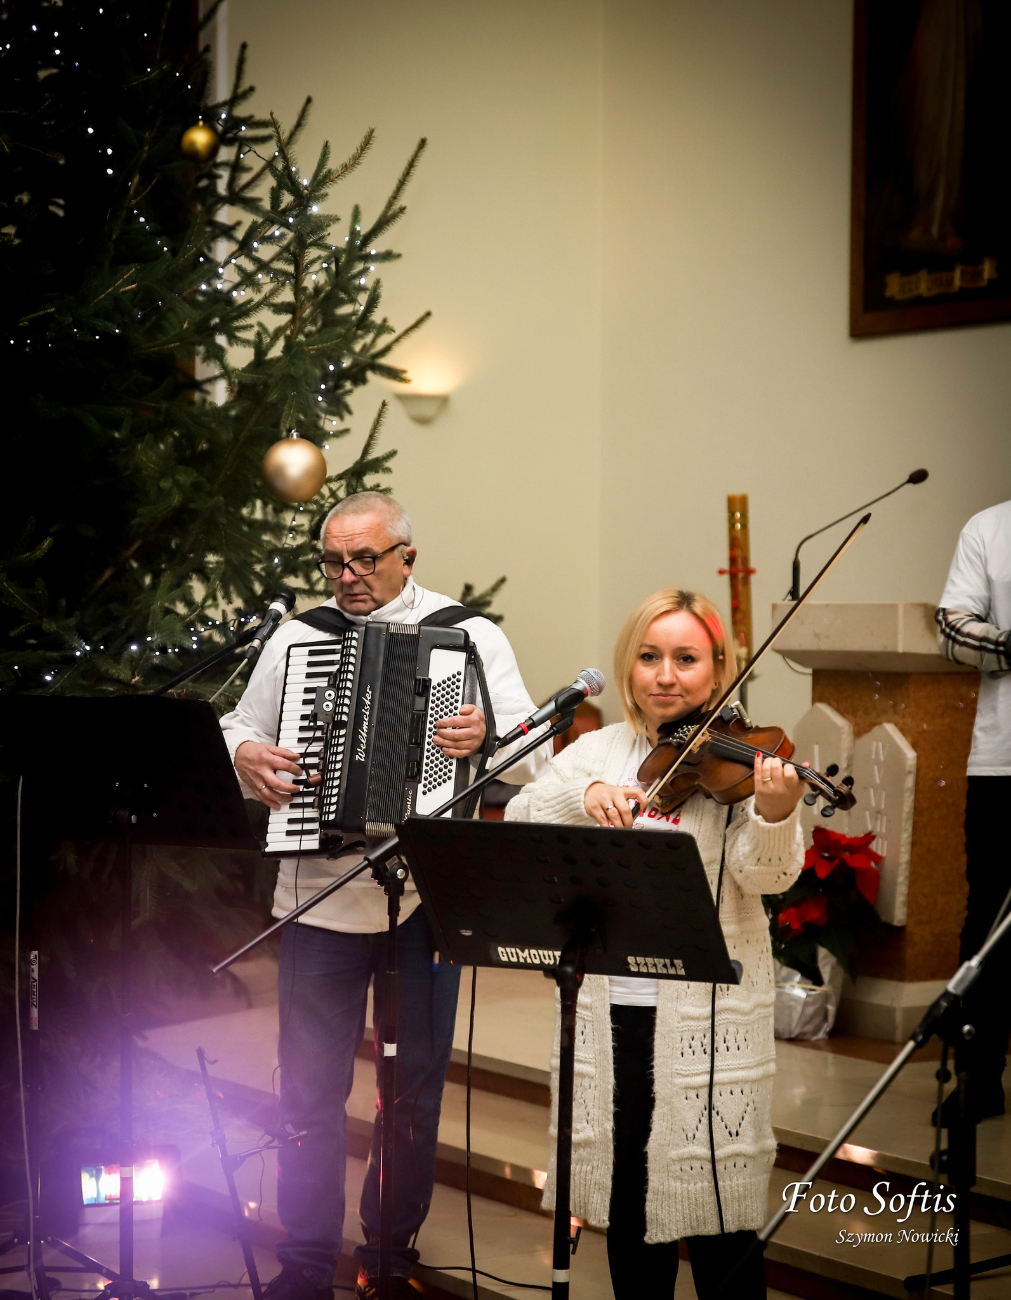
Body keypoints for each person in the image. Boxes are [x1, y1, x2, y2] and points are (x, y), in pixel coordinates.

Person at [220, 492, 548, 1300]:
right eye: (333, 561)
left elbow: (533, 759)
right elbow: (238, 723)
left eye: (365, 559)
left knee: (412, 1092)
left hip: (423, 901)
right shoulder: (301, 637)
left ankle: (390, 1254)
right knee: (307, 1091)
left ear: (408, 555)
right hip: (318, 897)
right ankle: (303, 1263)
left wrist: (486, 743)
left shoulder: (469, 635)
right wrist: (246, 754)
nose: (347, 576)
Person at [504, 588, 805, 1300]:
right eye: (648, 657)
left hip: (707, 1022)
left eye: (685, 658)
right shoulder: (597, 750)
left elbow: (766, 878)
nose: (664, 675)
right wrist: (584, 799)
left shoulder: (737, 767)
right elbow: (517, 816)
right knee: (630, 1210)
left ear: (718, 668)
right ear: (627, 665)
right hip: (609, 1017)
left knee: (723, 1223)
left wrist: (773, 813)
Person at [934, 498, 1011, 1125]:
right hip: (1003, 763)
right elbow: (953, 628)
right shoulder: (989, 526)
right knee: (988, 920)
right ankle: (979, 1076)